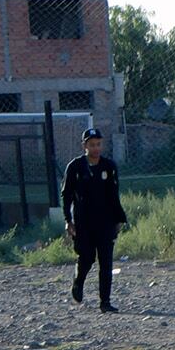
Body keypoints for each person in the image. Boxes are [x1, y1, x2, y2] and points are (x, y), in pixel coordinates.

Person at [61, 129, 126, 312]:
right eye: (92, 144)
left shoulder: (109, 166)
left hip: (105, 221)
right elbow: (66, 195)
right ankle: (78, 281)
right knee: (87, 258)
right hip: (83, 221)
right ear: (84, 146)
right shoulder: (75, 167)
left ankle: (105, 301)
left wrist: (119, 218)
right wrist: (68, 220)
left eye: (98, 144)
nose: (96, 148)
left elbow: (114, 195)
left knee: (106, 262)